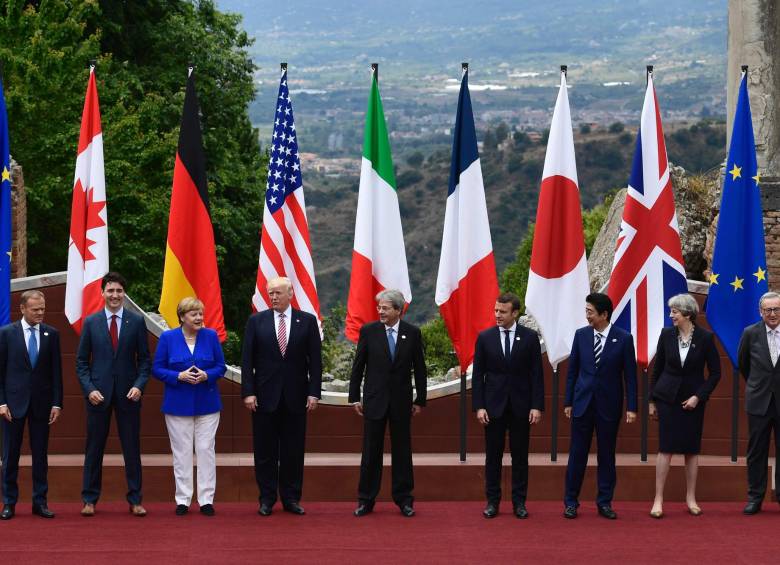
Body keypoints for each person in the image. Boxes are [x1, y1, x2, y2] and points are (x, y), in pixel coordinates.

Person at [241, 277, 321, 516]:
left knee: (293, 451)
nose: (273, 297)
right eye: (270, 293)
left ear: (290, 294)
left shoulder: (306, 322)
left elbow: (315, 362)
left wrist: (313, 392)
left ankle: (291, 498)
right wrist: (248, 391)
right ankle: (266, 499)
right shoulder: (257, 321)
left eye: (277, 293)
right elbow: (247, 360)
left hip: (296, 397)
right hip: (264, 397)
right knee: (265, 451)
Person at [76, 272, 150, 517]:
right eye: (111, 291)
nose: (115, 295)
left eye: (119, 291)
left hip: (129, 395)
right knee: (94, 448)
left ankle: (136, 500)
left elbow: (144, 362)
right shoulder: (91, 322)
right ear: (102, 293)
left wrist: (139, 386)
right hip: (98, 396)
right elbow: (81, 363)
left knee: (131, 448)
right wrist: (90, 390)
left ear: (124, 293)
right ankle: (89, 500)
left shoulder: (137, 322)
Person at [348, 289, 427, 518]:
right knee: (371, 451)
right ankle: (366, 500)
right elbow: (358, 367)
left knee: (403, 452)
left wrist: (419, 399)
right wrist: (354, 397)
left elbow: (419, 369)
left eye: (384, 308)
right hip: (374, 401)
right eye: (379, 308)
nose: (380, 311)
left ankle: (404, 500)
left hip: (402, 403)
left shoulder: (412, 333)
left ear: (397, 310)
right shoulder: (369, 331)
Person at [563, 292, 637, 519]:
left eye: (590, 312)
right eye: (586, 311)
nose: (587, 316)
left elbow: (630, 377)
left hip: (609, 406)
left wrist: (632, 407)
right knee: (577, 454)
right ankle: (571, 502)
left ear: (604, 314)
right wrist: (568, 402)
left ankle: (604, 502)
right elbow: (572, 371)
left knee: (606, 455)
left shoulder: (623, 338)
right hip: (582, 404)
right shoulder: (581, 335)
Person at [648, 294, 721, 518]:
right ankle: (658, 499)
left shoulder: (706, 338)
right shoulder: (666, 334)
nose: (671, 316)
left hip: (692, 400)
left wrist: (698, 397)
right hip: (667, 398)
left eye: (674, 312)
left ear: (687, 314)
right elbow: (657, 368)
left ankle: (691, 498)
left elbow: (716, 373)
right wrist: (651, 401)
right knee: (666, 448)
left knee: (691, 449)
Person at [472, 292, 544, 519]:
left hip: (521, 407)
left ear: (515, 313)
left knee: (520, 457)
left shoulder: (530, 338)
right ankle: (492, 502)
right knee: (492, 456)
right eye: (495, 311)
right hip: (493, 408)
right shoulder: (485, 338)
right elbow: (478, 375)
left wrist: (536, 406)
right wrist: (479, 406)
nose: (497, 315)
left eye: (502, 312)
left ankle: (519, 503)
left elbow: (536, 375)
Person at [152, 297, 225, 516]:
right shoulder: (168, 338)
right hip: (177, 404)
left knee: (205, 450)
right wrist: (178, 376)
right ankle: (183, 499)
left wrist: (207, 375)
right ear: (182, 317)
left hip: (208, 403)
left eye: (201, 314)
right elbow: (157, 369)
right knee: (181, 452)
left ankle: (206, 500)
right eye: (194, 314)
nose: (199, 318)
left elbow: (220, 366)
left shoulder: (211, 336)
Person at [0, 290, 62, 520]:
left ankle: (40, 502)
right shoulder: (6, 334)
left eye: (42, 309)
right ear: (23, 309)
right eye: (35, 309)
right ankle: (9, 503)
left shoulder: (51, 334)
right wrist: (2, 402)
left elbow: (56, 371)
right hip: (12, 406)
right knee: (10, 455)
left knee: (40, 455)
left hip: (42, 404)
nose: (40, 313)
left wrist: (57, 403)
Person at [738, 291, 780, 515]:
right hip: (759, 401)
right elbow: (744, 365)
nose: (772, 314)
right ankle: (755, 497)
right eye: (768, 310)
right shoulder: (750, 333)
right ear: (760, 311)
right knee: (757, 451)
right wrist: (759, 386)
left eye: (776, 309)